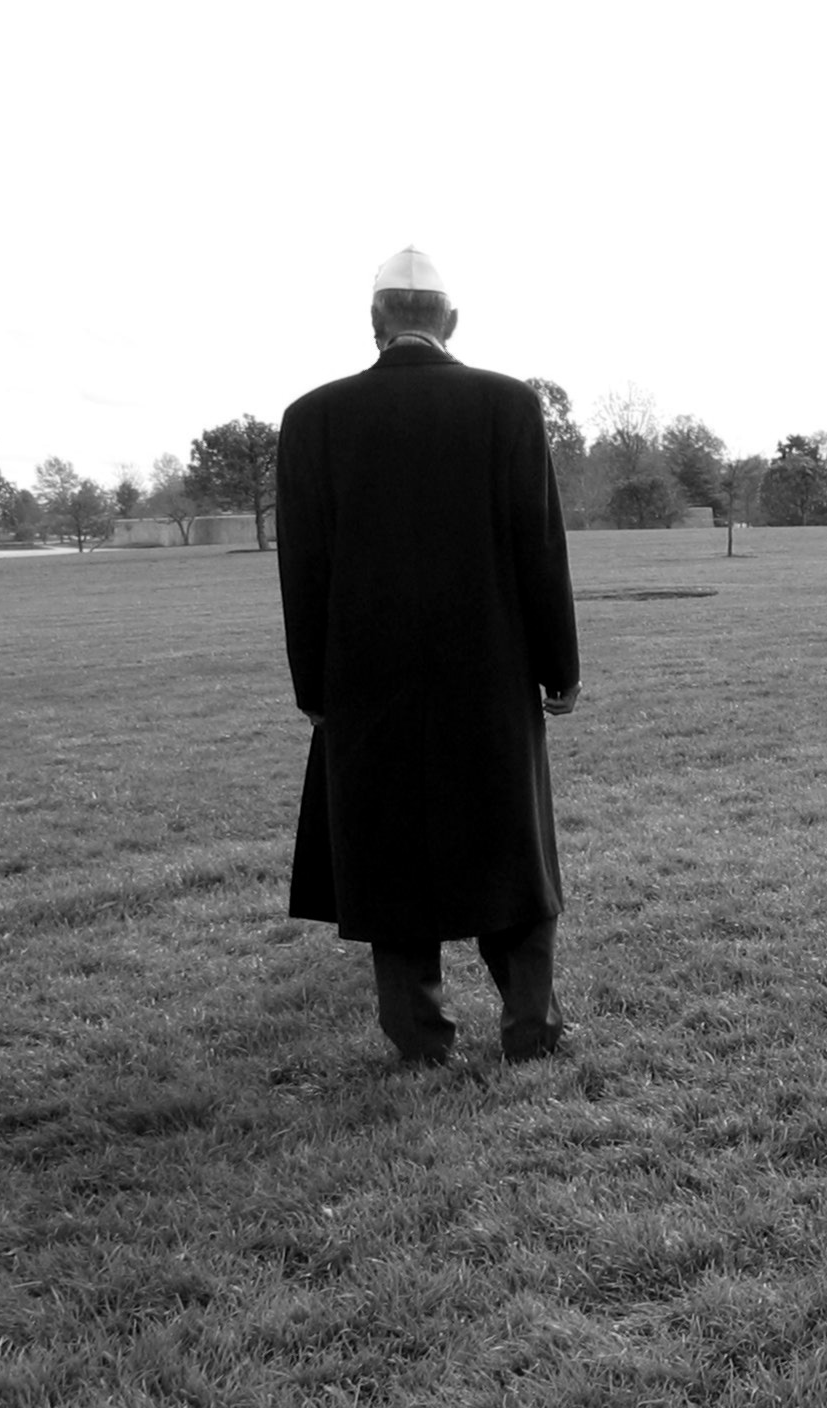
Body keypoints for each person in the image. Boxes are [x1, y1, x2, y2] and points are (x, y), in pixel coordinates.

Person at [276, 247, 581, 1065]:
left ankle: (419, 1037)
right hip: (490, 669)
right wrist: (560, 665)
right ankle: (531, 1028)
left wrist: (314, 687)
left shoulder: (313, 418)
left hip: (365, 675)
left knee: (389, 852)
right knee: (515, 849)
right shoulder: (507, 405)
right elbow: (539, 548)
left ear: (375, 324)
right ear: (451, 322)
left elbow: (302, 568)